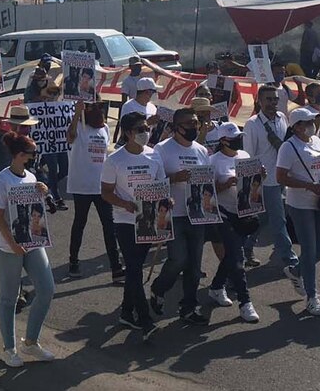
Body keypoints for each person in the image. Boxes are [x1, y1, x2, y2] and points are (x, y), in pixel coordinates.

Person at [0, 132, 57, 368]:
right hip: (9, 246)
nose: (35, 158)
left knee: (47, 289)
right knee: (9, 299)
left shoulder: (30, 176)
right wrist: (13, 244)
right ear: (20, 155)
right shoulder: (1, 180)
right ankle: (9, 349)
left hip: (32, 242)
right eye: (32, 154)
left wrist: (43, 191)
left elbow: (35, 211)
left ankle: (31, 342)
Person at [100, 111, 167, 340]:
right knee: (135, 269)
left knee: (134, 271)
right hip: (125, 221)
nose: (145, 133)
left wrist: (166, 204)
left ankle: (127, 312)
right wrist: (124, 204)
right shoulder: (114, 160)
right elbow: (106, 193)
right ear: (128, 133)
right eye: (140, 129)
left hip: (148, 221)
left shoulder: (154, 156)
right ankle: (145, 320)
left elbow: (160, 187)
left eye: (146, 128)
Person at [149, 108, 210, 326]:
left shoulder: (202, 150)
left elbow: (208, 182)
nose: (194, 127)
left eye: (196, 123)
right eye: (189, 124)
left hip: (197, 215)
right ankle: (159, 288)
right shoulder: (162, 149)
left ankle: (189, 307)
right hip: (174, 215)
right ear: (176, 127)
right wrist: (174, 178)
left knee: (194, 266)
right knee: (178, 260)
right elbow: (153, 181)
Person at [276, 107, 320, 316]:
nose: (312, 124)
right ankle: (312, 296)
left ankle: (296, 270)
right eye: (308, 122)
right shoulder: (288, 147)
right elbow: (281, 177)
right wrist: (307, 185)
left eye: (313, 121)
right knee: (309, 249)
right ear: (297, 126)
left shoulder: (316, 141)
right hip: (300, 204)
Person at [242, 84, 300, 278]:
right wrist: (255, 179)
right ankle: (290, 260)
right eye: (268, 99)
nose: (272, 103)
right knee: (278, 220)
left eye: (275, 99)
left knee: (263, 218)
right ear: (259, 101)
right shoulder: (252, 124)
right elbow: (248, 155)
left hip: (282, 177)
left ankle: (245, 249)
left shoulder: (283, 118)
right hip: (266, 181)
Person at [207, 122, 261, 323]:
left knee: (231, 254)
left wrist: (259, 176)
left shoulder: (245, 157)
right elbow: (206, 192)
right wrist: (225, 184)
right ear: (223, 141)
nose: (239, 140)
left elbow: (253, 186)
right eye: (235, 138)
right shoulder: (213, 161)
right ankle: (245, 302)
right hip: (223, 213)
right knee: (238, 258)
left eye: (240, 136)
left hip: (244, 213)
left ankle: (215, 287)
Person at [66, 99, 122, 281]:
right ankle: (73, 261)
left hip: (101, 186)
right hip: (82, 186)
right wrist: (76, 113)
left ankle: (116, 267)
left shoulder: (104, 129)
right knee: (79, 223)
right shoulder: (81, 127)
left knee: (109, 226)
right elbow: (70, 137)